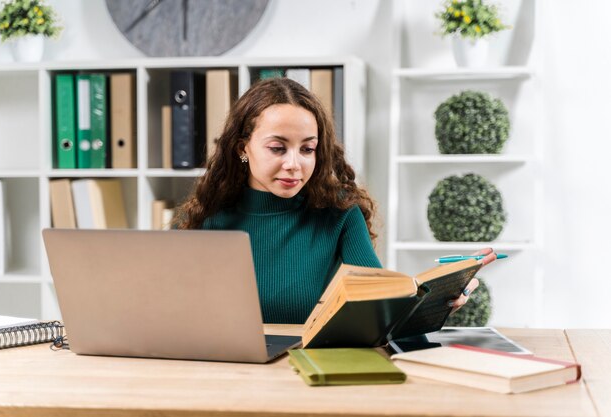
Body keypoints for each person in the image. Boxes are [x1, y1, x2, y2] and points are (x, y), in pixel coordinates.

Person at [173, 77, 495, 324]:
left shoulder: (339, 212)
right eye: (277, 147)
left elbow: (379, 309)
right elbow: (176, 316)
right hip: (225, 377)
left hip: (306, 376)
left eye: (307, 149)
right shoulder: (207, 219)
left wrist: (438, 297)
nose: (294, 164)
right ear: (243, 147)